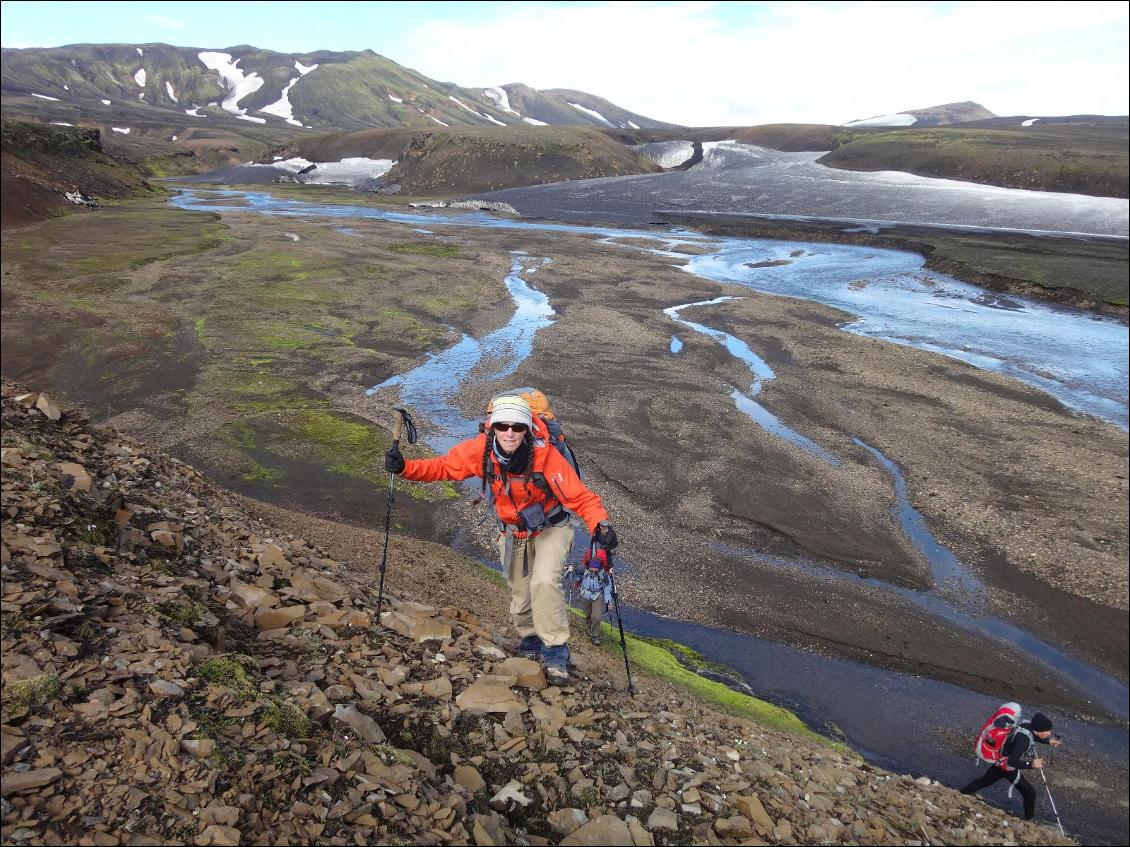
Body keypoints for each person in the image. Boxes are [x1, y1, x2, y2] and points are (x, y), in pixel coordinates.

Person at [384, 394, 617, 686]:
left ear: (527, 429)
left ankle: (556, 650)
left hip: (552, 529)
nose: (509, 432)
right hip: (511, 532)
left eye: (517, 427)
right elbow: (443, 467)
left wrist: (601, 524)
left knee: (544, 582)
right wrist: (405, 468)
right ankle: (530, 641)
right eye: (502, 425)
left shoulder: (546, 457)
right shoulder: (480, 451)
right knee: (520, 594)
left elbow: (581, 497)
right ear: (492, 427)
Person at [961, 712, 1063, 820]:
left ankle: (962, 793)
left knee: (984, 781)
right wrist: (1031, 764)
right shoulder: (1023, 741)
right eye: (1047, 731)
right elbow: (1011, 762)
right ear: (1038, 730)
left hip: (1000, 761)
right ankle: (1029, 820)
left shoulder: (1027, 726)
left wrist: (1048, 741)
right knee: (1029, 793)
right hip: (1007, 768)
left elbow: (1033, 735)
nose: (1049, 733)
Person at [572, 547, 613, 645]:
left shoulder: (604, 575)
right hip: (585, 595)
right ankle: (590, 627)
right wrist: (570, 571)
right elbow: (574, 577)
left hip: (597, 597)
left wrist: (608, 601)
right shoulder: (583, 570)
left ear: (599, 567)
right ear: (589, 566)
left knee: (596, 616)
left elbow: (607, 588)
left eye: (596, 568)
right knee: (588, 615)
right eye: (592, 567)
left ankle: (595, 636)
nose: (594, 570)